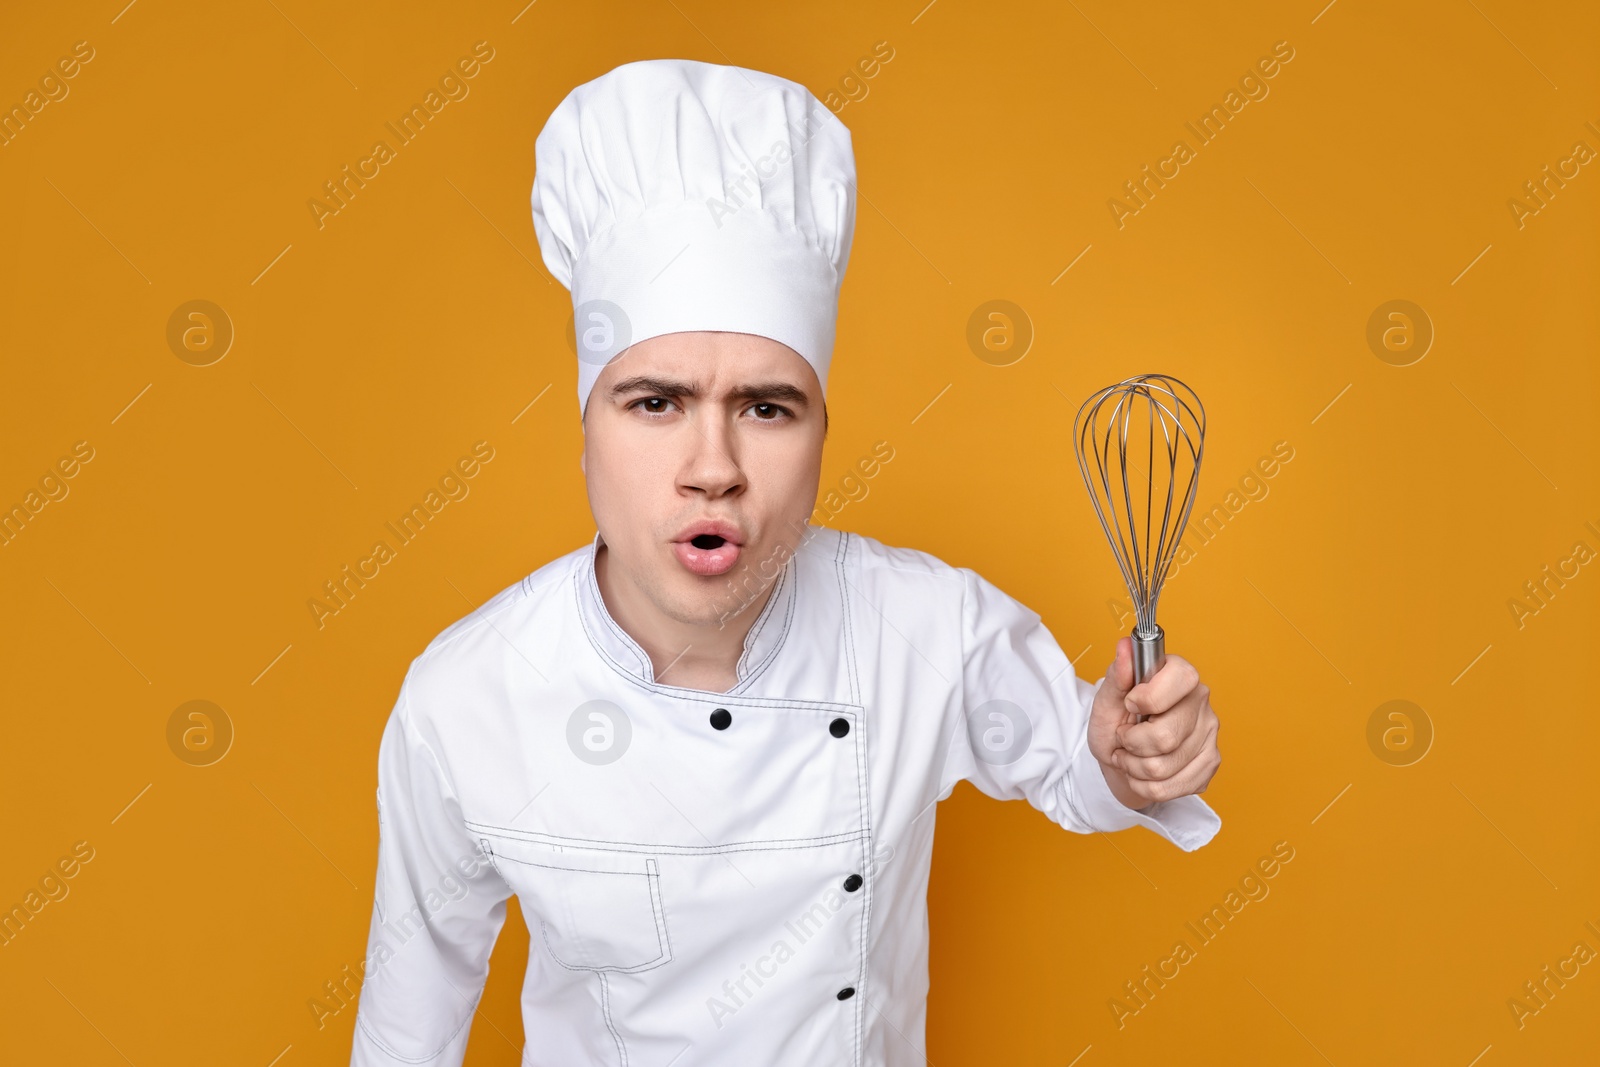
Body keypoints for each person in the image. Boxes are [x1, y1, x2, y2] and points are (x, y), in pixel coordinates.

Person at [349, 58, 1221, 1067]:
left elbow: (1079, 762)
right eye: (655, 402)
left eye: (766, 407)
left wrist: (1131, 757)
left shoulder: (921, 624)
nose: (711, 469)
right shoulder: (465, 699)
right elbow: (405, 1032)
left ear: (818, 438)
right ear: (583, 429)